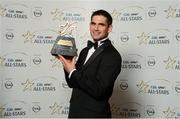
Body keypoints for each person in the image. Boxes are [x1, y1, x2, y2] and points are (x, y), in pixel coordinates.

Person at [57, 9, 122, 118]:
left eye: (101, 24)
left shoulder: (112, 55)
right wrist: (67, 63)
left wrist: (73, 71)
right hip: (75, 113)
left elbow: (99, 90)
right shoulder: (84, 51)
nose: (96, 28)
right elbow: (72, 82)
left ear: (109, 28)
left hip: (94, 114)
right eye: (93, 23)